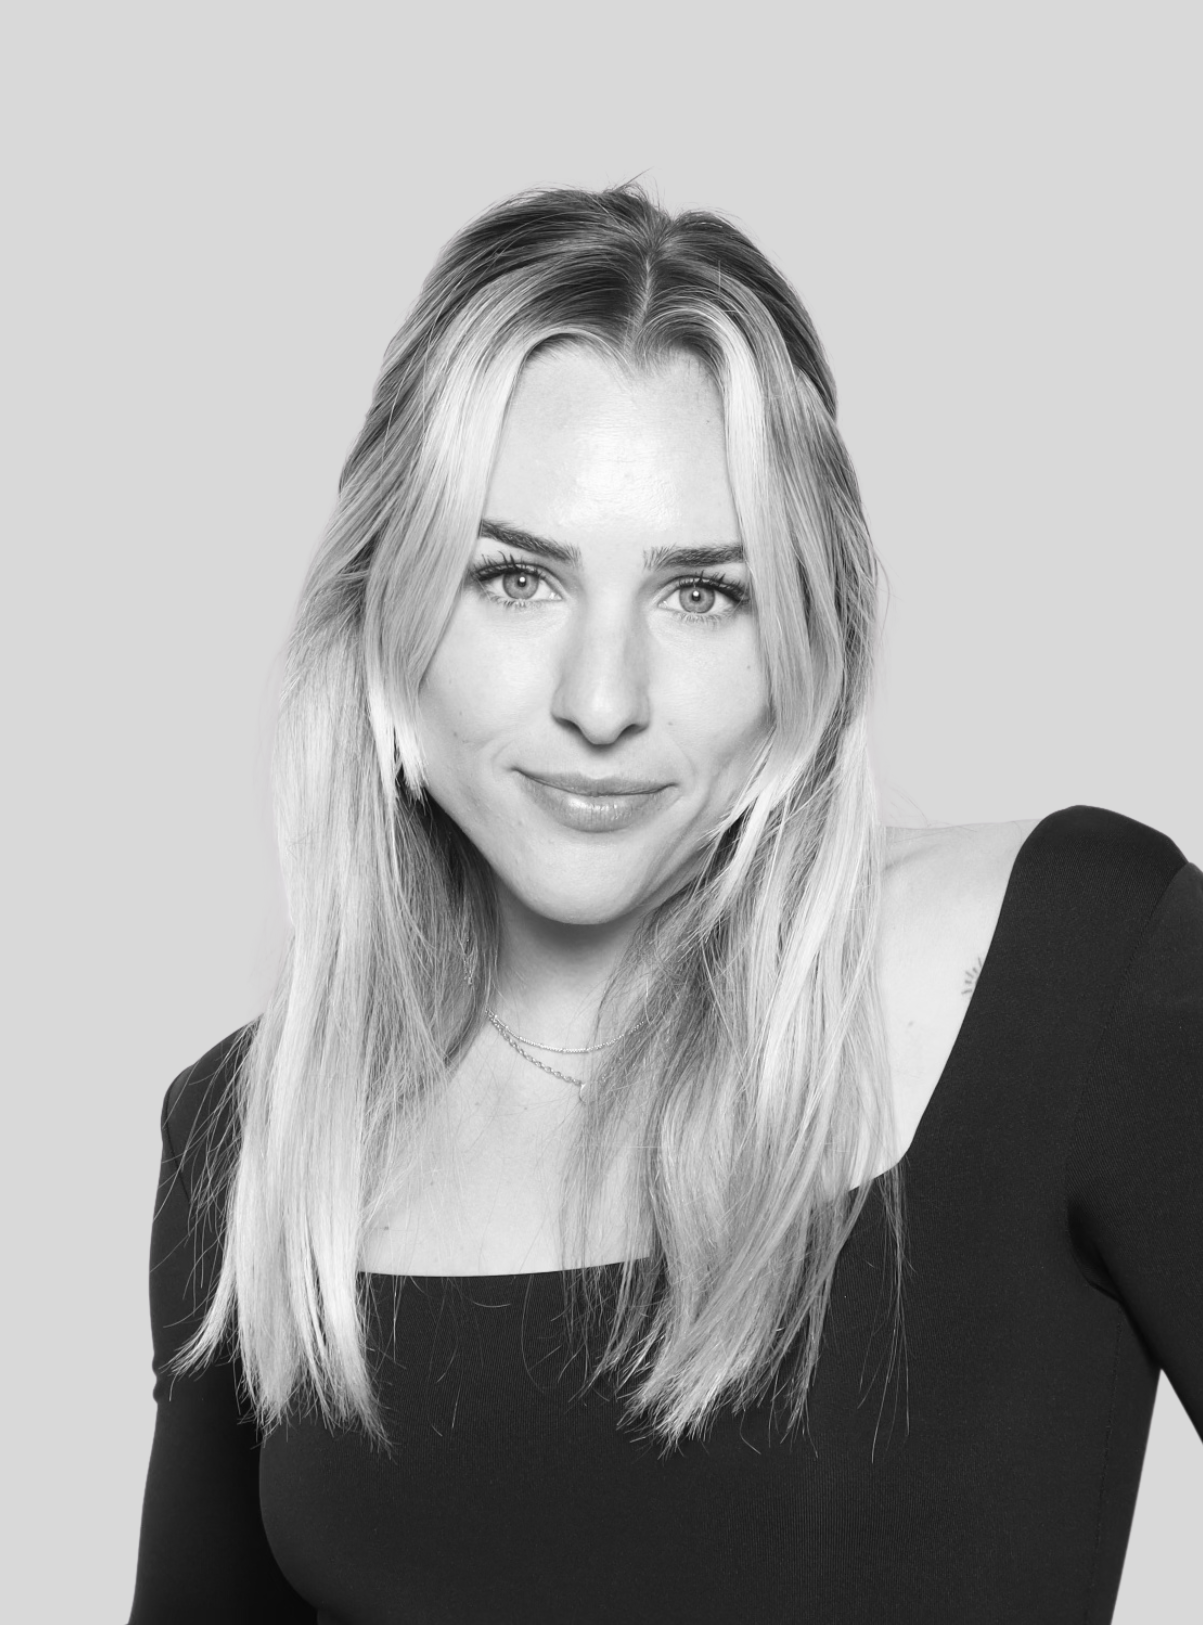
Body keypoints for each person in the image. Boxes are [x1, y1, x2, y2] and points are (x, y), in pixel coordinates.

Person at [127, 184, 1202, 1624]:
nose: (601, 702)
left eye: (703, 594)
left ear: (807, 639)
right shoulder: (254, 1134)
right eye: (512, 578)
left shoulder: (1076, 965)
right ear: (379, 608)